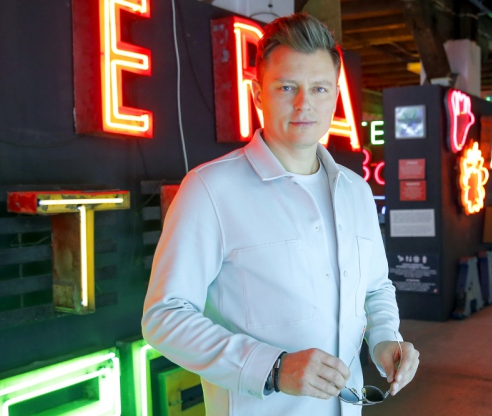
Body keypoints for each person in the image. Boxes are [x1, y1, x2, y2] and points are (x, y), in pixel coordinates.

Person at [142, 13, 419, 416]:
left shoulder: (356, 191)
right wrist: (272, 368)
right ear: (258, 94)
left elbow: (376, 288)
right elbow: (164, 317)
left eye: (319, 88)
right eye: (287, 87)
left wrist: (385, 338)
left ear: (335, 95)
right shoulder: (210, 189)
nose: (304, 104)